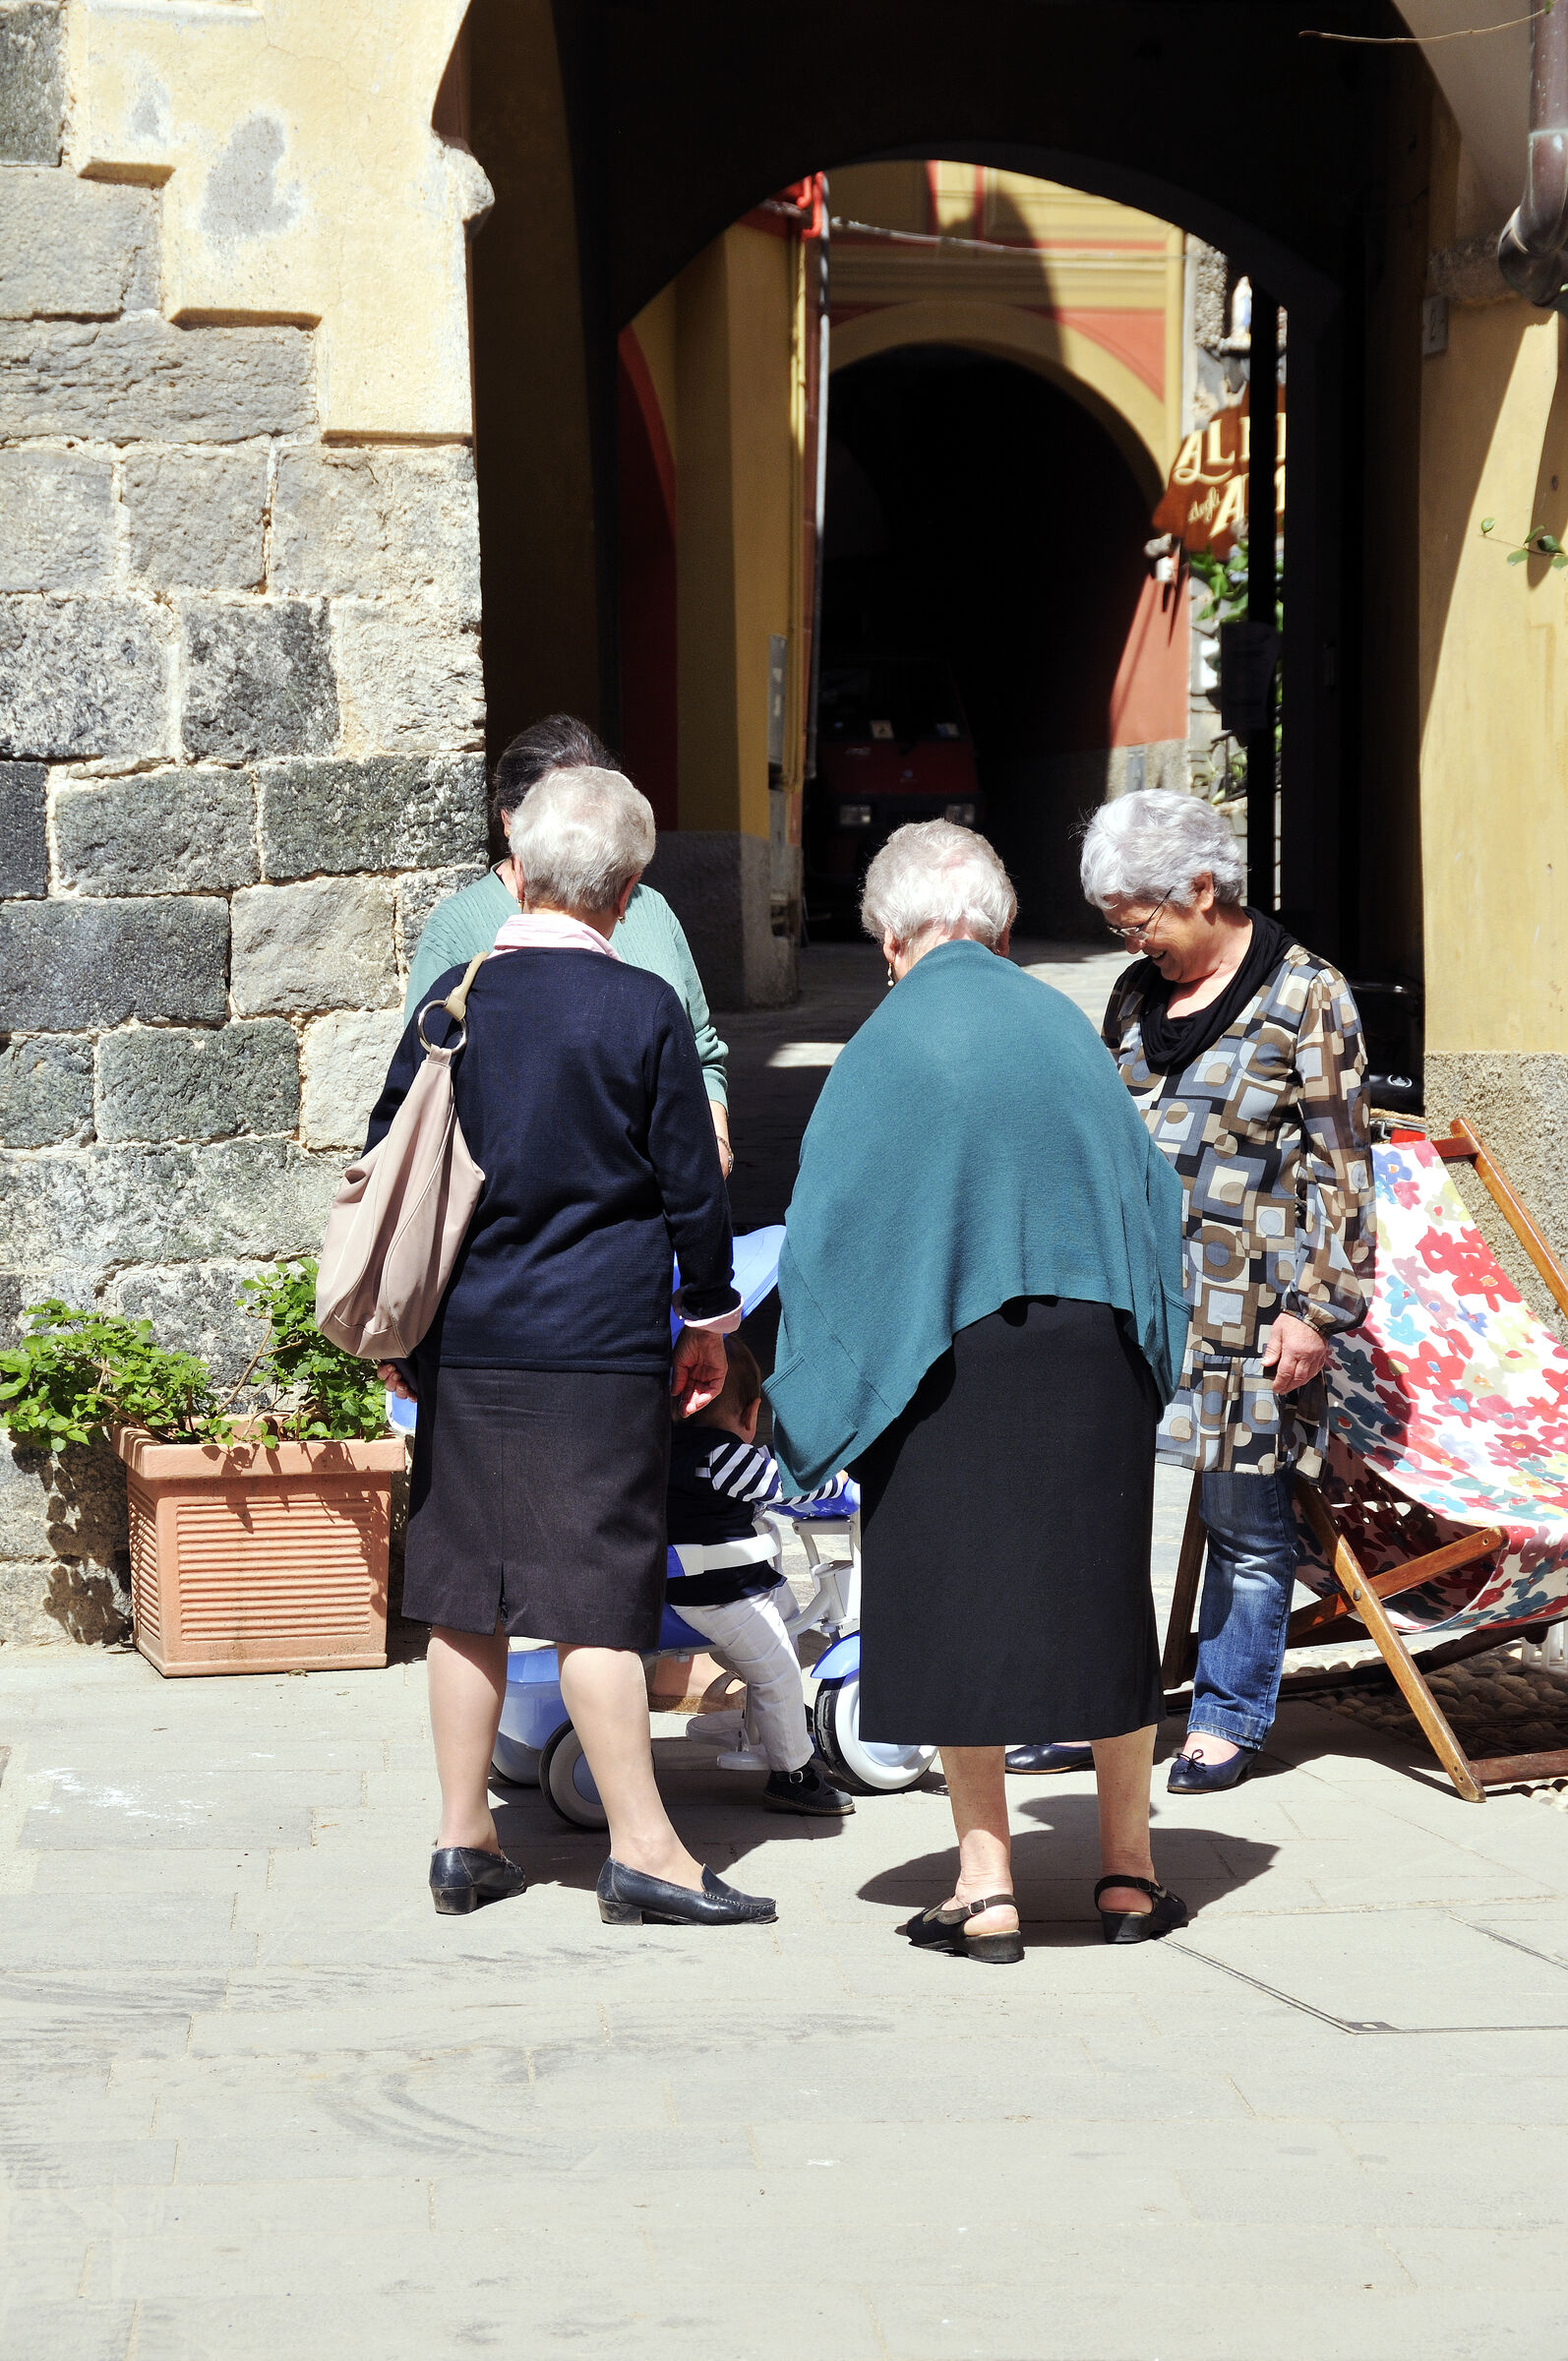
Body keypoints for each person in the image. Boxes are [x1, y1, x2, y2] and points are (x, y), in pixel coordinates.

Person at [766, 820, 1191, 1964]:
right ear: (1001, 929)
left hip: (943, 1362)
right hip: (1090, 1351)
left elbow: (830, 1233)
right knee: (1104, 1598)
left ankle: (988, 1889)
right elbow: (1151, 1204)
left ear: (891, 939)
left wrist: (810, 1382)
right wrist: (1152, 1348)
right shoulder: (1061, 1025)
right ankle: (1128, 1877)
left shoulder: (885, 1042)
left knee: (951, 1602)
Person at [371, 764, 775, 1930]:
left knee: (465, 1594)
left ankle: (462, 1841)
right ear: (627, 886)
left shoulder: (453, 999)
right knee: (598, 1598)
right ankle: (646, 1851)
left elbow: (392, 1156)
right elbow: (690, 1190)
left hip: (469, 1337)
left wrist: (407, 1330)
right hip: (595, 1344)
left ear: (524, 868)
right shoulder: (640, 1009)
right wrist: (709, 1318)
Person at [1065, 787, 1375, 1793]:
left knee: (1247, 1527)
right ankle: (1100, 1709)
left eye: (1139, 917)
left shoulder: (1306, 993)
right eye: (1117, 923)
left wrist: (1320, 1310)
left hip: (1253, 1313)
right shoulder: (1133, 995)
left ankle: (1227, 1718)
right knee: (1098, 1510)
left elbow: (1342, 1165)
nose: (1130, 938)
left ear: (1201, 887)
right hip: (1131, 1299)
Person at [405, 713, 734, 1176]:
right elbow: (430, 1086)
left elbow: (700, 1048)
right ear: (510, 824)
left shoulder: (650, 909)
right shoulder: (458, 931)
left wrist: (714, 1144)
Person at [666, 1336, 856, 1819]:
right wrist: (845, 1483)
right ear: (752, 1414)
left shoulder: (674, 1448)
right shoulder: (724, 1457)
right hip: (719, 1593)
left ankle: (767, 1721)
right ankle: (792, 1772)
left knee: (786, 1623)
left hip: (724, 1582)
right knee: (778, 1671)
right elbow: (789, 1486)